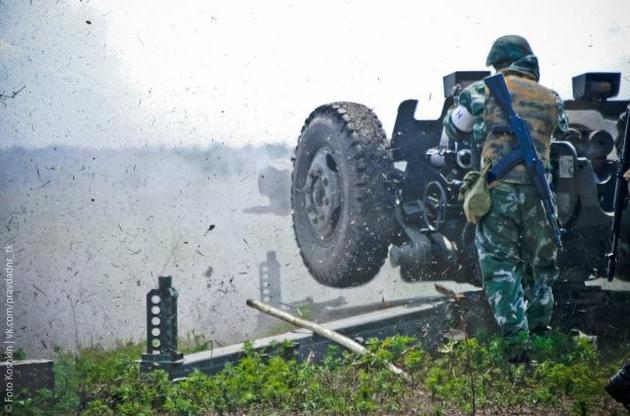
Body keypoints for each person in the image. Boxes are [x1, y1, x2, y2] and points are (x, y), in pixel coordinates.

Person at [444, 35, 569, 358]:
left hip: (498, 192)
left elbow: (453, 129)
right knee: (541, 268)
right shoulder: (551, 97)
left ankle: (516, 345)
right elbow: (564, 129)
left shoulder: (482, 91)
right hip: (540, 196)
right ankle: (541, 337)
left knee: (500, 267)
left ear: (499, 63)